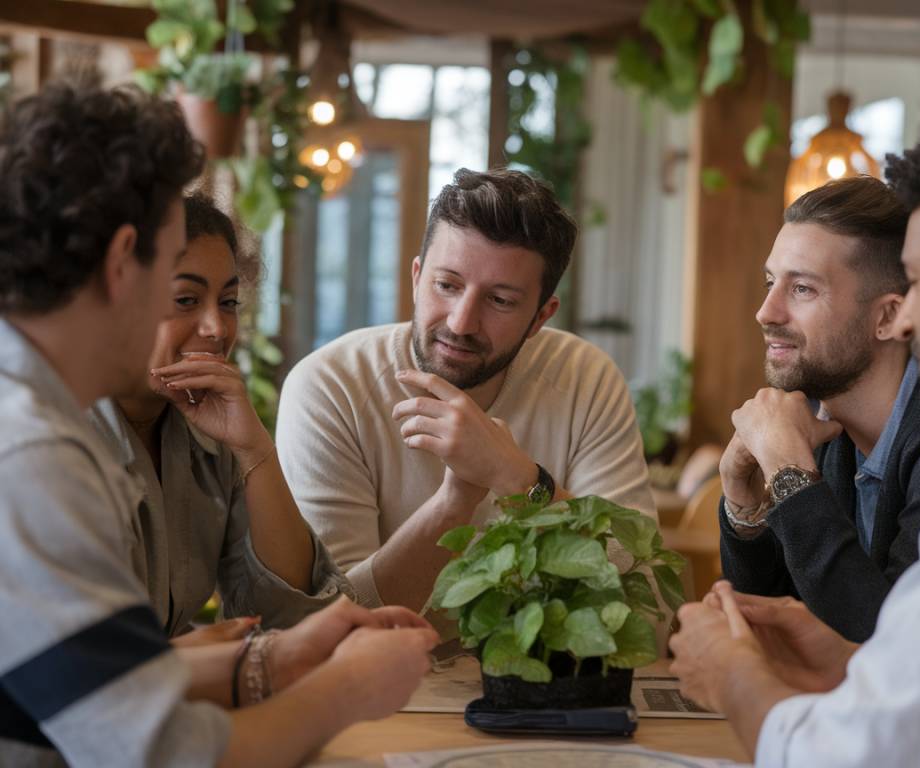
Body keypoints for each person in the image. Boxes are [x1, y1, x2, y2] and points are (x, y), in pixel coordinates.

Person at [0, 82, 437, 767]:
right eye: (174, 286)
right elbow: (162, 756)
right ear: (122, 262)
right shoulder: (33, 454)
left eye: (227, 299)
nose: (212, 328)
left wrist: (282, 657)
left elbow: (74, 684)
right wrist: (348, 688)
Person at [669, 87, 920, 766]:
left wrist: (732, 675)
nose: (915, 319)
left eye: (919, 282)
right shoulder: (833, 428)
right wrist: (751, 511)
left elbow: (876, 753)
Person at [277, 168, 655, 611]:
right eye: (446, 285)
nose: (461, 322)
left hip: (544, 679)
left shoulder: (583, 377)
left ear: (540, 316)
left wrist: (520, 480)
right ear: (417, 278)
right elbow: (332, 614)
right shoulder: (331, 386)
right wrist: (454, 502)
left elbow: (642, 593)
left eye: (500, 300)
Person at [718, 176, 920, 641]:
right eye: (770, 282)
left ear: (888, 317)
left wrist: (788, 473)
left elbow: (895, 646)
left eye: (802, 289)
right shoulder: (819, 427)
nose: (766, 311)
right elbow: (778, 631)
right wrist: (745, 505)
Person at [88, 193, 348, 641]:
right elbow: (79, 654)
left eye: (228, 302)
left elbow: (290, 618)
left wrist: (254, 449)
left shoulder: (207, 431)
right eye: (186, 300)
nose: (216, 328)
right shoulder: (55, 433)